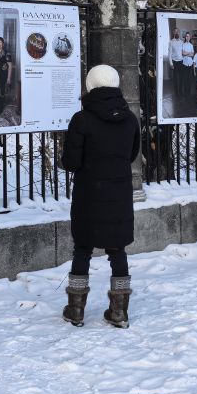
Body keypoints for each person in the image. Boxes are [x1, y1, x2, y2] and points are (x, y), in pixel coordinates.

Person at [61, 64, 141, 329]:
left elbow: (71, 162)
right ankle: (119, 311)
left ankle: (76, 309)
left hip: (89, 195)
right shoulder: (130, 120)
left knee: (83, 248)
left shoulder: (82, 120)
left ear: (90, 85)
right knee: (118, 249)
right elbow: (131, 155)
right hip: (119, 195)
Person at [180, 32, 196, 109]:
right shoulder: (183, 45)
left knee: (189, 79)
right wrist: (188, 53)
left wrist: (187, 53)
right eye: (186, 36)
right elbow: (183, 53)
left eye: (189, 36)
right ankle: (185, 93)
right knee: (185, 79)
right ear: (185, 37)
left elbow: (192, 54)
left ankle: (189, 93)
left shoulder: (191, 45)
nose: (187, 37)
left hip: (190, 64)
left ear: (190, 37)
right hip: (185, 64)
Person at [167, 29, 183, 102]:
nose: (176, 32)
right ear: (173, 33)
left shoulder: (181, 42)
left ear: (179, 33)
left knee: (181, 78)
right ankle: (176, 93)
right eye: (175, 31)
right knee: (176, 78)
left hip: (181, 62)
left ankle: (180, 91)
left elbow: (183, 52)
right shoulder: (171, 42)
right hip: (175, 62)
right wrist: (171, 63)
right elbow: (169, 54)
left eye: (177, 31)